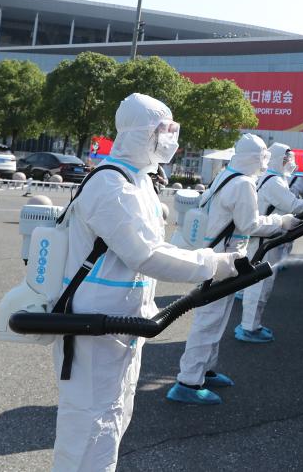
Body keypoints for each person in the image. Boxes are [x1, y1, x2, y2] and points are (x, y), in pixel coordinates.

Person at [52, 93, 242, 471]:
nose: (170, 138)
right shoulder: (111, 184)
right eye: (163, 130)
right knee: (88, 423)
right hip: (94, 324)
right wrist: (212, 264)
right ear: (141, 132)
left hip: (122, 323)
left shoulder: (138, 180)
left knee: (114, 415)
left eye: (173, 129)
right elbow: (145, 254)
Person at [169, 134, 298, 404]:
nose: (265, 162)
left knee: (216, 318)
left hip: (219, 258)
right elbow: (250, 225)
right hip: (222, 261)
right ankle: (188, 381)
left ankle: (205, 370)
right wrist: (282, 221)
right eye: (263, 157)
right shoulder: (243, 184)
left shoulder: (226, 175)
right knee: (209, 321)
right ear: (256, 158)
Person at [236, 144, 303, 343]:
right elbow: (294, 205)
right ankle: (249, 328)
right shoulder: (274, 181)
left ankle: (251, 325)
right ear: (275, 159)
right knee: (259, 286)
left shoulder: (274, 178)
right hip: (264, 240)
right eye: (286, 159)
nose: (290, 162)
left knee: (259, 284)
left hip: (267, 238)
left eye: (290, 158)